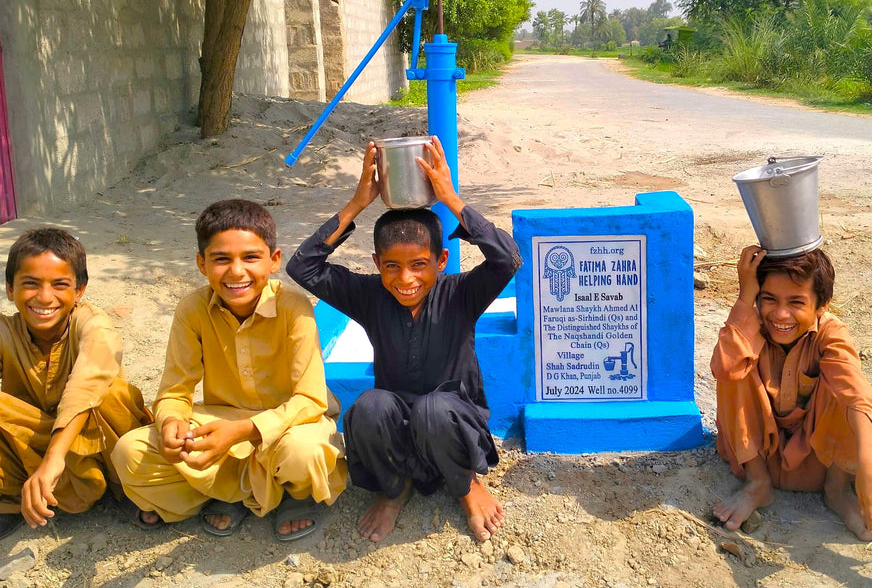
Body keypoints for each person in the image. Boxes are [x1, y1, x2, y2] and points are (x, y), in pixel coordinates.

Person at [287, 136, 521, 543]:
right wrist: (359, 202)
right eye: (392, 266)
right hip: (395, 424)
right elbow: (302, 266)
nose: (406, 279)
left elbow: (508, 258)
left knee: (433, 409)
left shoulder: (460, 293)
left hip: (454, 423)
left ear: (441, 261)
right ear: (376, 264)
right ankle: (395, 489)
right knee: (367, 406)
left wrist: (451, 198)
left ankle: (466, 486)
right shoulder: (370, 295)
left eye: (419, 265)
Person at [112, 199, 345, 540]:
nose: (236, 272)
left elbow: (309, 400)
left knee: (304, 452)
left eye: (250, 257)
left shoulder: (294, 308)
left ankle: (278, 494)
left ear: (274, 261)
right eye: (221, 259)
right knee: (129, 453)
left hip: (287, 426)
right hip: (219, 421)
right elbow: (175, 391)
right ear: (201, 264)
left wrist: (243, 431)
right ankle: (242, 491)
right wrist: (172, 421)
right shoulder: (192, 310)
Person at [711, 245, 872, 540]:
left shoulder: (830, 333)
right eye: (768, 299)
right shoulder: (751, 325)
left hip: (819, 462)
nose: (780, 314)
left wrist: (871, 461)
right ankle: (758, 485)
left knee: (841, 386)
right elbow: (725, 368)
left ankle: (837, 492)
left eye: (796, 302)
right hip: (761, 459)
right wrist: (746, 297)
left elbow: (856, 393)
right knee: (733, 365)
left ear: (822, 306)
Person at [1, 228, 150, 539]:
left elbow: (87, 383)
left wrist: (55, 458)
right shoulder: (6, 333)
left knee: (112, 394)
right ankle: (15, 499)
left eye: (59, 285)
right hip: (38, 449)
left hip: (98, 446)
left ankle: (128, 490)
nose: (44, 297)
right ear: (10, 289)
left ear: (79, 291)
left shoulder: (92, 324)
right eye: (30, 284)